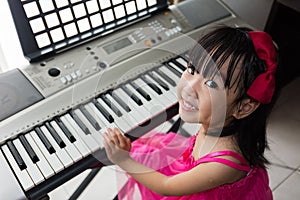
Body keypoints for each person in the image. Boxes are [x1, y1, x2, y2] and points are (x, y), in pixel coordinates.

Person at [103, 25, 279, 199]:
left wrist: (124, 160)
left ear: (243, 107)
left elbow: (166, 186)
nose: (189, 87)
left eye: (211, 84)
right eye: (192, 70)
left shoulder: (225, 165)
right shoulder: (218, 124)